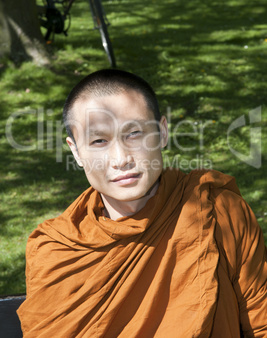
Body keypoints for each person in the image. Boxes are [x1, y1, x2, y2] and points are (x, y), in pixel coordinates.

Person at [18, 69, 266, 337]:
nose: (121, 158)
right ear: (76, 152)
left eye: (134, 133)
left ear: (162, 133)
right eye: (99, 140)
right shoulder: (56, 249)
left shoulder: (217, 210)